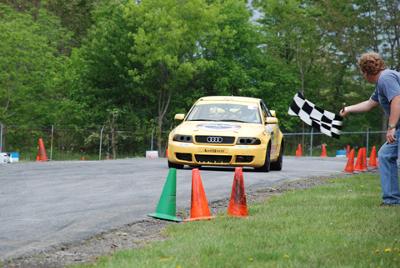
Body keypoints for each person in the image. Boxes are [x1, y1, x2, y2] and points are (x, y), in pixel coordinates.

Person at [340, 52, 400, 206]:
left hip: (397, 126)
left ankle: (391, 199)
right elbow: (369, 104)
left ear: (365, 72)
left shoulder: (386, 78)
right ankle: (391, 200)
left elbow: (397, 100)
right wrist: (348, 109)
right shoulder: (381, 83)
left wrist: (391, 127)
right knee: (385, 155)